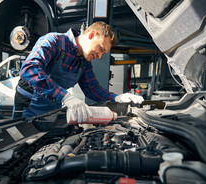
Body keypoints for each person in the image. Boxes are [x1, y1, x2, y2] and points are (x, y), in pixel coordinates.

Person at [14, 21, 144, 122]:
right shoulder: (54, 41)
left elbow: (92, 89)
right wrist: (65, 96)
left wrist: (117, 97)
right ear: (92, 35)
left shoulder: (84, 61)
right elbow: (29, 69)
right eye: (100, 49)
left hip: (51, 110)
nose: (99, 56)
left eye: (103, 53)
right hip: (29, 106)